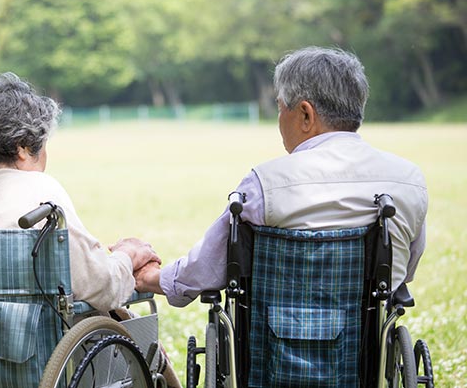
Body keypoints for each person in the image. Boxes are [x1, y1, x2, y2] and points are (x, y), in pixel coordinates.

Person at [132, 46, 428, 308]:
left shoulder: (266, 184)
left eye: (279, 107)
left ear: (305, 115)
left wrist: (153, 278)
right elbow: (404, 271)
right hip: (366, 354)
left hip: (272, 352)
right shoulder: (408, 180)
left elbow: (208, 266)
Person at [0, 72, 160, 312]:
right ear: (24, 149)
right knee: (129, 323)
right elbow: (101, 287)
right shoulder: (40, 192)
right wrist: (127, 255)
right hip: (33, 344)